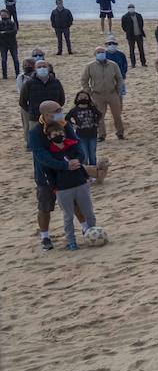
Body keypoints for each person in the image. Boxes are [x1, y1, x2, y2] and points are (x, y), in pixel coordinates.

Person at [41, 117, 101, 251]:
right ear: (49, 137)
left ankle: (92, 235)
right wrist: (55, 187)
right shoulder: (49, 153)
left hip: (80, 183)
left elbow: (81, 156)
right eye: (55, 134)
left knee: (89, 213)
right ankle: (71, 241)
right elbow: (49, 172)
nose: (59, 136)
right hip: (63, 189)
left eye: (60, 133)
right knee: (68, 217)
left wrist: (78, 165)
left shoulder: (72, 144)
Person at [28, 100, 72, 250]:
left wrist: (74, 162)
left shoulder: (63, 124)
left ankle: (86, 229)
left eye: (60, 109)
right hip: (45, 175)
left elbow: (74, 141)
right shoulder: (35, 132)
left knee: (75, 203)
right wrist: (64, 165)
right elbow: (42, 157)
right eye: (57, 110)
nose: (60, 112)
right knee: (45, 206)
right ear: (46, 115)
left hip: (67, 172)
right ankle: (45, 237)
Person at [81, 46, 125, 141]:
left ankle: (120, 133)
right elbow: (84, 80)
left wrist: (118, 89)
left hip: (112, 93)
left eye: (103, 52)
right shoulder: (90, 66)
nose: (101, 54)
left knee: (117, 115)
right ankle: (101, 135)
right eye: (98, 52)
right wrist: (89, 92)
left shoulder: (113, 65)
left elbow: (119, 78)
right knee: (99, 116)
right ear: (95, 54)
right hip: (97, 94)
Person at [68, 90, 101, 166]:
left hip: (93, 134)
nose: (83, 98)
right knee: (84, 155)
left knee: (92, 154)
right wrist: (73, 125)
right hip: (80, 135)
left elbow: (99, 114)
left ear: (89, 98)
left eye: (85, 97)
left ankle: (93, 170)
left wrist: (96, 122)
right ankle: (85, 172)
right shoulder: (74, 110)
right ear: (77, 99)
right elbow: (67, 118)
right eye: (81, 97)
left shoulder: (92, 108)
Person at [0, 7, 17, 79]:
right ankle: (4, 75)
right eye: (2, 15)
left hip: (12, 44)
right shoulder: (0, 23)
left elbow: (14, 32)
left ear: (8, 15)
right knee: (4, 60)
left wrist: (4, 32)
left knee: (15, 59)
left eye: (4, 14)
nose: (3, 16)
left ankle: (17, 73)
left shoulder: (12, 23)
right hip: (3, 44)